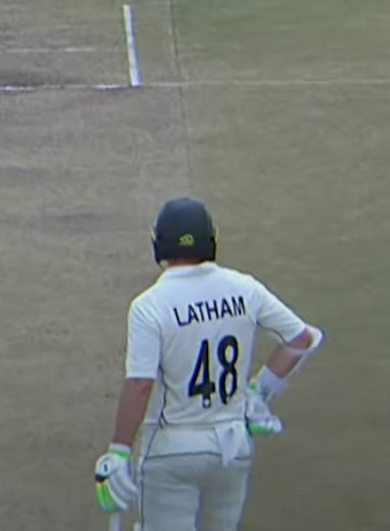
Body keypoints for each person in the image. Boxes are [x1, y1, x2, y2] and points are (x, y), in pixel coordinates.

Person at [94, 197, 327, 531]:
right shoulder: (245, 289)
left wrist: (118, 452)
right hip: (231, 448)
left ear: (159, 244)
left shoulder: (149, 306)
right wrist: (258, 392)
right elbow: (300, 339)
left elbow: (140, 384)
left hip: (171, 449)